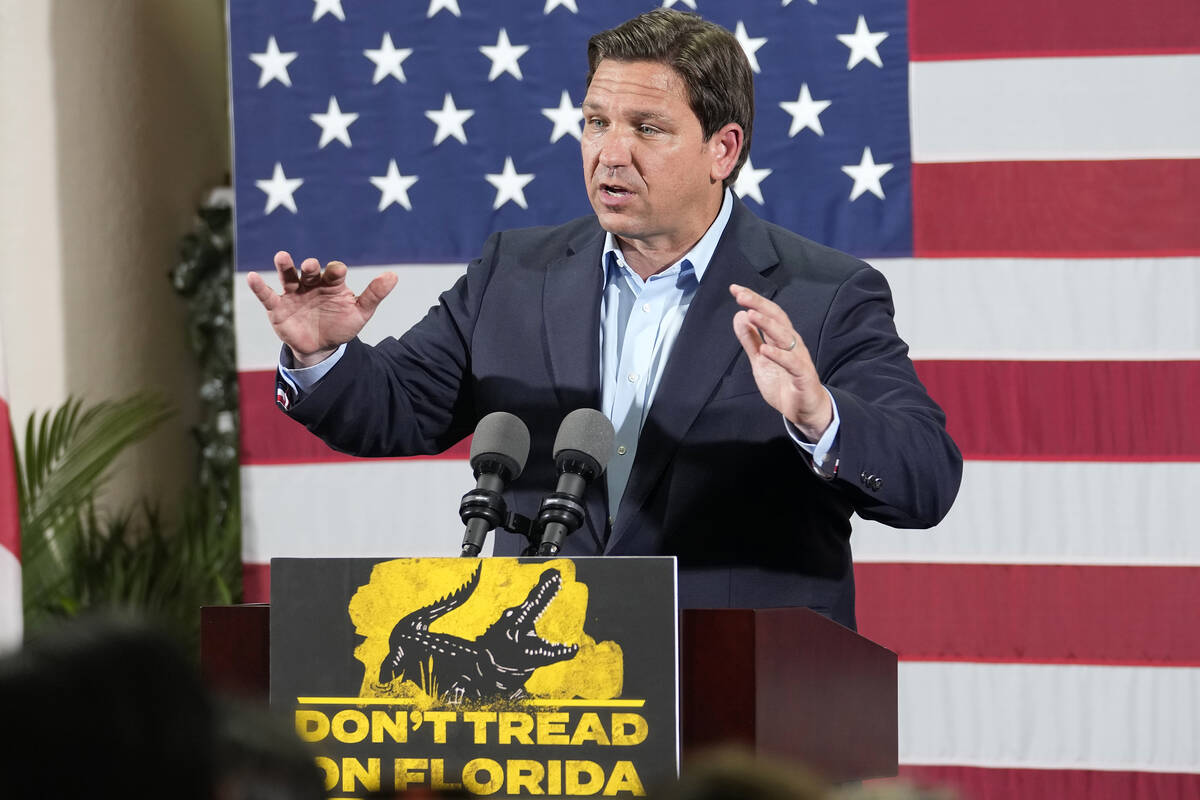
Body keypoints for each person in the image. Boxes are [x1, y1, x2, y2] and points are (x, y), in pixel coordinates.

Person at [247, 9, 962, 630]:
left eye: (646, 128)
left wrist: (819, 416)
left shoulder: (822, 295)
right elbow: (398, 409)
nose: (608, 154)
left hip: (737, 705)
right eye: (595, 122)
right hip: (549, 699)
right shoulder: (516, 274)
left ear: (724, 149)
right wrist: (323, 358)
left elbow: (927, 478)